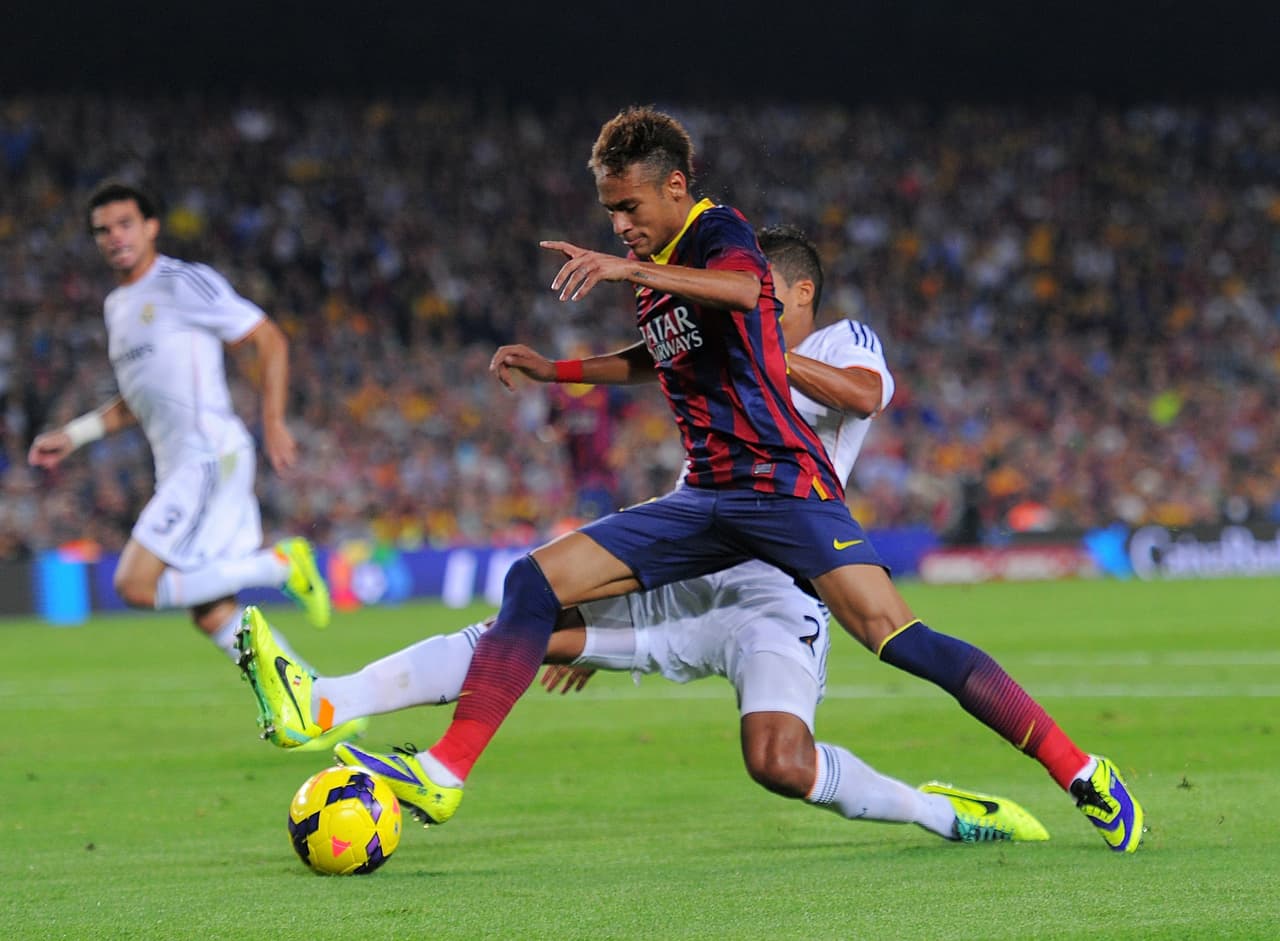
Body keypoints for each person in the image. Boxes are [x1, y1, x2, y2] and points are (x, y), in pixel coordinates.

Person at [259, 108, 1141, 852]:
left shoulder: (726, 240)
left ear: (675, 187)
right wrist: (556, 371)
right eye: (610, 213)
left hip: (783, 496)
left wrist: (635, 269)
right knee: (534, 582)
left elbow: (751, 297)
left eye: (628, 207)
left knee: (893, 637)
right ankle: (441, 767)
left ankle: (1080, 771)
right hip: (706, 504)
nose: (619, 226)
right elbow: (656, 356)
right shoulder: (662, 285)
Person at [28, 181, 337, 686]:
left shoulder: (182, 282)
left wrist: (274, 421)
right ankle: (315, 701)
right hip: (179, 466)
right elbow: (137, 399)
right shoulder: (117, 306)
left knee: (134, 584)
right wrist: (75, 434)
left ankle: (280, 567)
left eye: (125, 224)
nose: (115, 237)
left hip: (208, 458)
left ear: (151, 227)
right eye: (102, 230)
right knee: (212, 613)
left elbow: (268, 339)